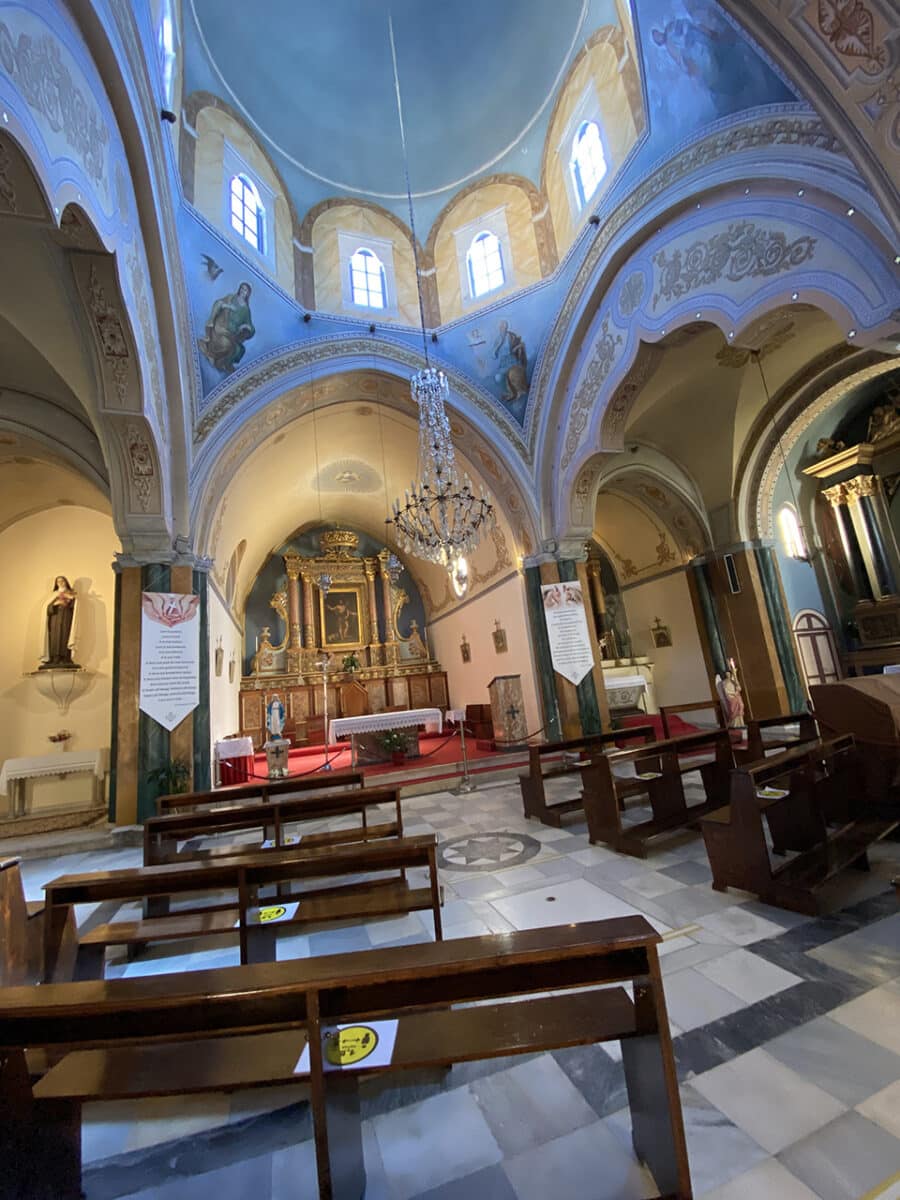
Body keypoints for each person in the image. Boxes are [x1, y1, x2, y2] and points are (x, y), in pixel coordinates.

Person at [198, 281, 255, 373]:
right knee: (226, 345)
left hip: (232, 334)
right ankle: (212, 355)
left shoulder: (246, 310)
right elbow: (218, 303)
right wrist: (227, 306)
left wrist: (246, 326)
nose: (243, 291)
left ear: (248, 294)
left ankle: (221, 363)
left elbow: (250, 326)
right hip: (220, 327)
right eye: (242, 288)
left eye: (245, 290)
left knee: (238, 349)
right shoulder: (231, 298)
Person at [41, 575, 79, 668]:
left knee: (65, 635)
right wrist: (55, 604)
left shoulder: (71, 593)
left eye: (62, 581)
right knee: (55, 637)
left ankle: (65, 657)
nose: (60, 583)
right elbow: (46, 608)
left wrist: (70, 598)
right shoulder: (53, 595)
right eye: (58, 581)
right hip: (55, 618)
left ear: (66, 582)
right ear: (56, 584)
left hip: (66, 617)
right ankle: (55, 657)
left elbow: (76, 607)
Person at [492, 320, 528, 402]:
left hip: (512, 360)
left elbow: (515, 348)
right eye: (501, 327)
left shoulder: (512, 336)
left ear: (506, 327)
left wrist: (518, 347)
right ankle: (511, 393)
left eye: (505, 327)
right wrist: (497, 347)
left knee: (514, 375)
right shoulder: (498, 339)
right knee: (498, 378)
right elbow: (493, 355)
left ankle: (519, 391)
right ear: (499, 328)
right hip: (503, 363)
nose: (503, 329)